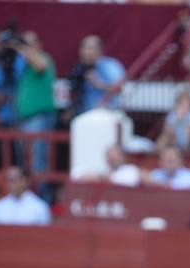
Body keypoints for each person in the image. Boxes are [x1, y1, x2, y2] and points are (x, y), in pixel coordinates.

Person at [13, 31, 57, 177]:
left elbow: (41, 66)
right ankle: (29, 195)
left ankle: (41, 197)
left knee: (38, 162)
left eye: (29, 44)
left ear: (38, 45)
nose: (24, 48)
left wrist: (21, 48)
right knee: (25, 163)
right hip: (23, 119)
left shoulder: (43, 58)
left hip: (40, 117)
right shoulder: (22, 64)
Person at [67, 35, 125, 117]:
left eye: (90, 48)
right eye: (83, 48)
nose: (86, 52)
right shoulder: (79, 68)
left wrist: (98, 83)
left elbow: (119, 89)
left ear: (100, 50)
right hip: (84, 114)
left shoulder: (110, 66)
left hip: (107, 114)